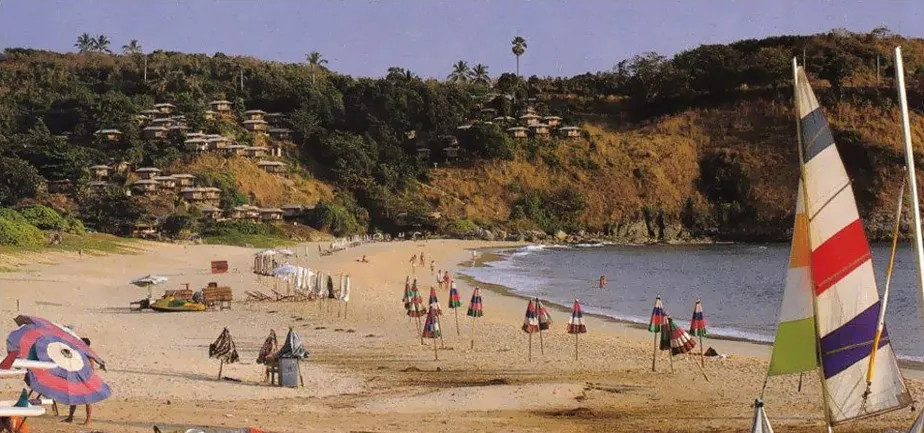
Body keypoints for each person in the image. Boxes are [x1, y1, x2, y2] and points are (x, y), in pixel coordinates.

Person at [64, 337, 95, 425]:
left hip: (85, 379)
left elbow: (91, 368)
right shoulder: (78, 353)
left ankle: (88, 419)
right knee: (74, 398)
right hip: (77, 377)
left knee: (87, 400)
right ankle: (70, 417)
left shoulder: (89, 354)